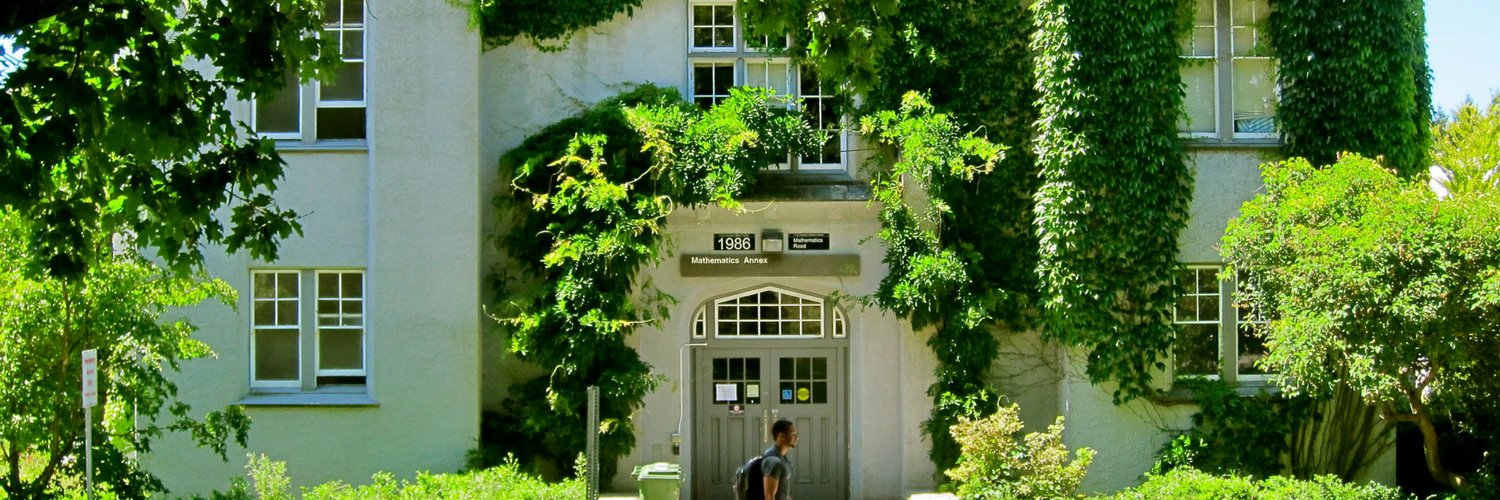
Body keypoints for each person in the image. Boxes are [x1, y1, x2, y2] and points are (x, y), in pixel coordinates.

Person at [762, 419, 797, 500]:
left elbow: (782, 492)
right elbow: (769, 495)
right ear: (781, 437)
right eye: (793, 434)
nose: (796, 438)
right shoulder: (774, 462)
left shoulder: (781, 458)